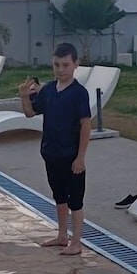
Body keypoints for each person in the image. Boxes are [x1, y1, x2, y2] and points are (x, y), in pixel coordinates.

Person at [19, 42, 91, 256]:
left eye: (65, 65)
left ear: (76, 64)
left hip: (71, 156)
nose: (60, 70)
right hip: (51, 153)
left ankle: (76, 242)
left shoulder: (79, 93)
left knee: (75, 200)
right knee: (59, 196)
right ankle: (62, 235)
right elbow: (30, 113)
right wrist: (24, 96)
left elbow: (85, 126)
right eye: (56, 65)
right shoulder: (49, 90)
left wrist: (81, 157)